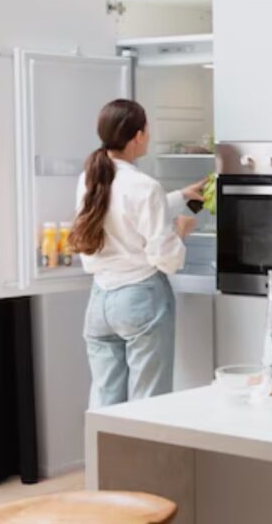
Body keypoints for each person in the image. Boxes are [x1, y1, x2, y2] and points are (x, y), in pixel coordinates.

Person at [69, 98, 206, 408]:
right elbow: (167, 258)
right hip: (141, 299)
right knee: (148, 404)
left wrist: (181, 196)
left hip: (101, 302)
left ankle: (103, 458)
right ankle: (146, 460)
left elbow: (120, 212)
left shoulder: (90, 178)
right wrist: (181, 229)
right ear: (139, 135)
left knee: (106, 401)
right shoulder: (145, 186)